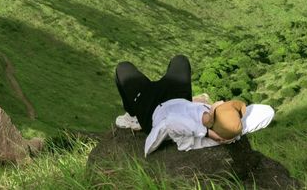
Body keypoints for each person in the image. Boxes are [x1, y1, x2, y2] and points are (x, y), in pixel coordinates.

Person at [115, 55, 275, 156]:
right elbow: (268, 112)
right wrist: (237, 126)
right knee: (180, 61)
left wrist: (206, 133)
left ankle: (132, 115)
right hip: (180, 99)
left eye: (215, 108)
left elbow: (170, 122)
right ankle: (192, 100)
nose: (218, 103)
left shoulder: (194, 134)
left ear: (211, 124)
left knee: (123, 69)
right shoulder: (232, 125)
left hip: (151, 110)